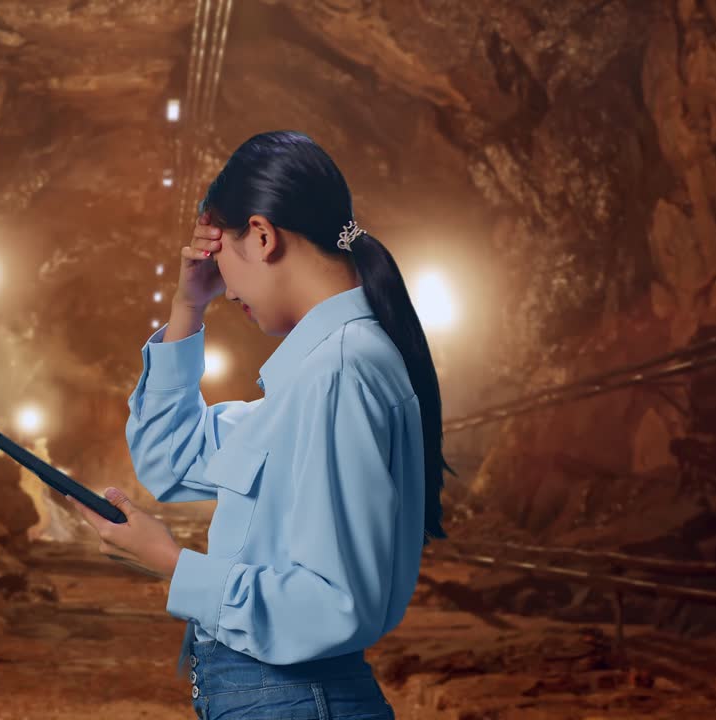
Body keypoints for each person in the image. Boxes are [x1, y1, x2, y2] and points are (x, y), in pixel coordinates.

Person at [69, 130, 451, 720]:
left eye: (221, 260)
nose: (224, 291)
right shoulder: (310, 380)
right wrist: (185, 307)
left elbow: (336, 604)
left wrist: (173, 564)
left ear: (264, 237)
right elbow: (171, 457)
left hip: (296, 699)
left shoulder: (339, 373)